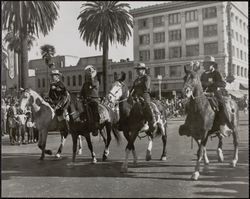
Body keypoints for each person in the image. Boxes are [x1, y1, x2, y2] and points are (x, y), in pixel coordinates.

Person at [200, 56, 231, 132]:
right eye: (205, 65)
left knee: (222, 105)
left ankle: (225, 123)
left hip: (215, 93)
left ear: (212, 65)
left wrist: (213, 84)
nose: (205, 66)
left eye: (207, 64)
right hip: (205, 93)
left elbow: (223, 83)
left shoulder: (216, 73)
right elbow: (200, 84)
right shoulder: (203, 74)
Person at [129, 62, 156, 133]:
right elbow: (132, 89)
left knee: (147, 106)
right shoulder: (136, 80)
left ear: (144, 70)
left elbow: (147, 87)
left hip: (145, 95)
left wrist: (140, 95)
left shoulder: (147, 77)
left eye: (139, 69)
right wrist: (129, 95)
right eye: (137, 69)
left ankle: (150, 122)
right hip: (136, 97)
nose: (138, 71)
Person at [79, 65, 100, 136]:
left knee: (95, 110)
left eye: (90, 74)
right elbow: (81, 92)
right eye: (88, 75)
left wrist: (92, 76)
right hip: (86, 101)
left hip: (94, 100)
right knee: (80, 110)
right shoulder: (85, 84)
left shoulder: (96, 82)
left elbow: (93, 84)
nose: (88, 76)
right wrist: (79, 96)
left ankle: (96, 126)